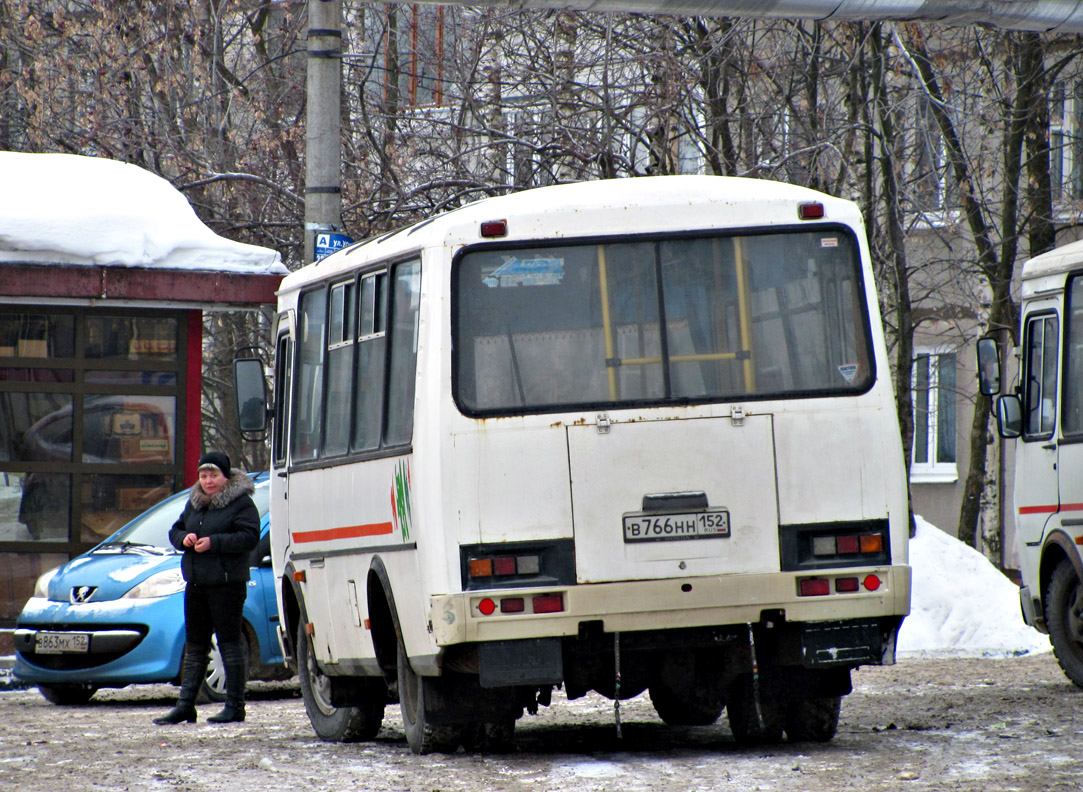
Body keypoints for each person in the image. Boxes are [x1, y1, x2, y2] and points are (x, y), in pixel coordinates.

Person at [153, 451, 259, 725]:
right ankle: (186, 705)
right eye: (204, 475)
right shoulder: (195, 503)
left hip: (227, 584)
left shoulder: (241, 503)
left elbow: (249, 537)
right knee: (196, 645)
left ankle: (235, 706)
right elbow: (174, 530)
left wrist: (214, 542)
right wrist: (183, 538)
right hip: (197, 583)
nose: (208, 481)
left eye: (214, 475)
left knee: (229, 643)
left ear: (226, 477)